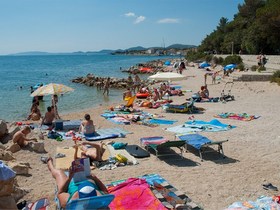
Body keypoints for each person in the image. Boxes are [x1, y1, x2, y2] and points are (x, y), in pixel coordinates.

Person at [43, 156, 108, 209]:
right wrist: (95, 178)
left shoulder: (69, 203)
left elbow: (61, 192)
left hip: (71, 185)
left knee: (59, 173)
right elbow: (104, 190)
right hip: (89, 180)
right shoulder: (101, 201)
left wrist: (69, 178)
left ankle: (49, 163)